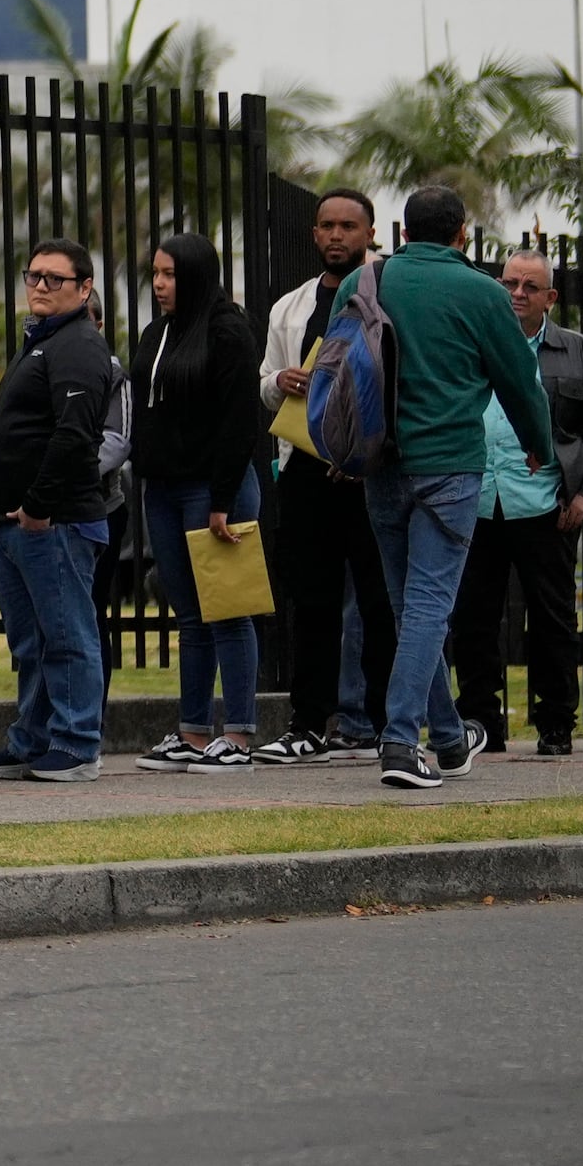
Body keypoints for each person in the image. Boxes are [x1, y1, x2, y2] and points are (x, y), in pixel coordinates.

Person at [357, 183, 561, 789]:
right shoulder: (481, 292)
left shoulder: (366, 282)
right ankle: (400, 741)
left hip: (380, 463)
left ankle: (448, 739)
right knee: (428, 606)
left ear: (403, 232)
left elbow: (337, 367)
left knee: (408, 608)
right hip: (449, 465)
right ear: (462, 234)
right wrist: (538, 443)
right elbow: (519, 379)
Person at [253, 187, 401, 764]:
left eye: (348, 226)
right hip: (305, 471)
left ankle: (386, 723)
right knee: (310, 602)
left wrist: (370, 455)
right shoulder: (290, 306)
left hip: (368, 474)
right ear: (314, 234)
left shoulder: (388, 294)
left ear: (370, 234)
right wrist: (279, 382)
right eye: (327, 226)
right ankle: (308, 724)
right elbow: (265, 381)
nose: (336, 235)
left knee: (379, 601)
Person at [456, 246, 583, 760]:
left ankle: (556, 723)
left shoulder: (579, 351)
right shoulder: (471, 342)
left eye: (529, 286)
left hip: (546, 504)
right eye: (509, 283)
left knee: (553, 618)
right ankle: (480, 722)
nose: (517, 294)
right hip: (477, 500)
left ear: (551, 297)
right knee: (474, 618)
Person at [129, 229, 271, 769]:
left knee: (227, 610)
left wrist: (221, 499)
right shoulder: (158, 330)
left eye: (170, 274)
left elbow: (239, 423)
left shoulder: (228, 330)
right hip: (163, 489)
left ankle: (237, 735)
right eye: (156, 273)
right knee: (189, 614)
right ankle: (192, 732)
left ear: (195, 275)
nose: (160, 284)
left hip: (214, 490)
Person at [0, 243, 119, 781]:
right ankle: (32, 740)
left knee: (67, 636)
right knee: (32, 641)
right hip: (15, 523)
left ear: (84, 288)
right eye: (33, 275)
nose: (40, 285)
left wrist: (37, 506)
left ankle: (77, 744)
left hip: (55, 521)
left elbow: (75, 434)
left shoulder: (78, 344)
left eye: (55, 279)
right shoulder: (42, 339)